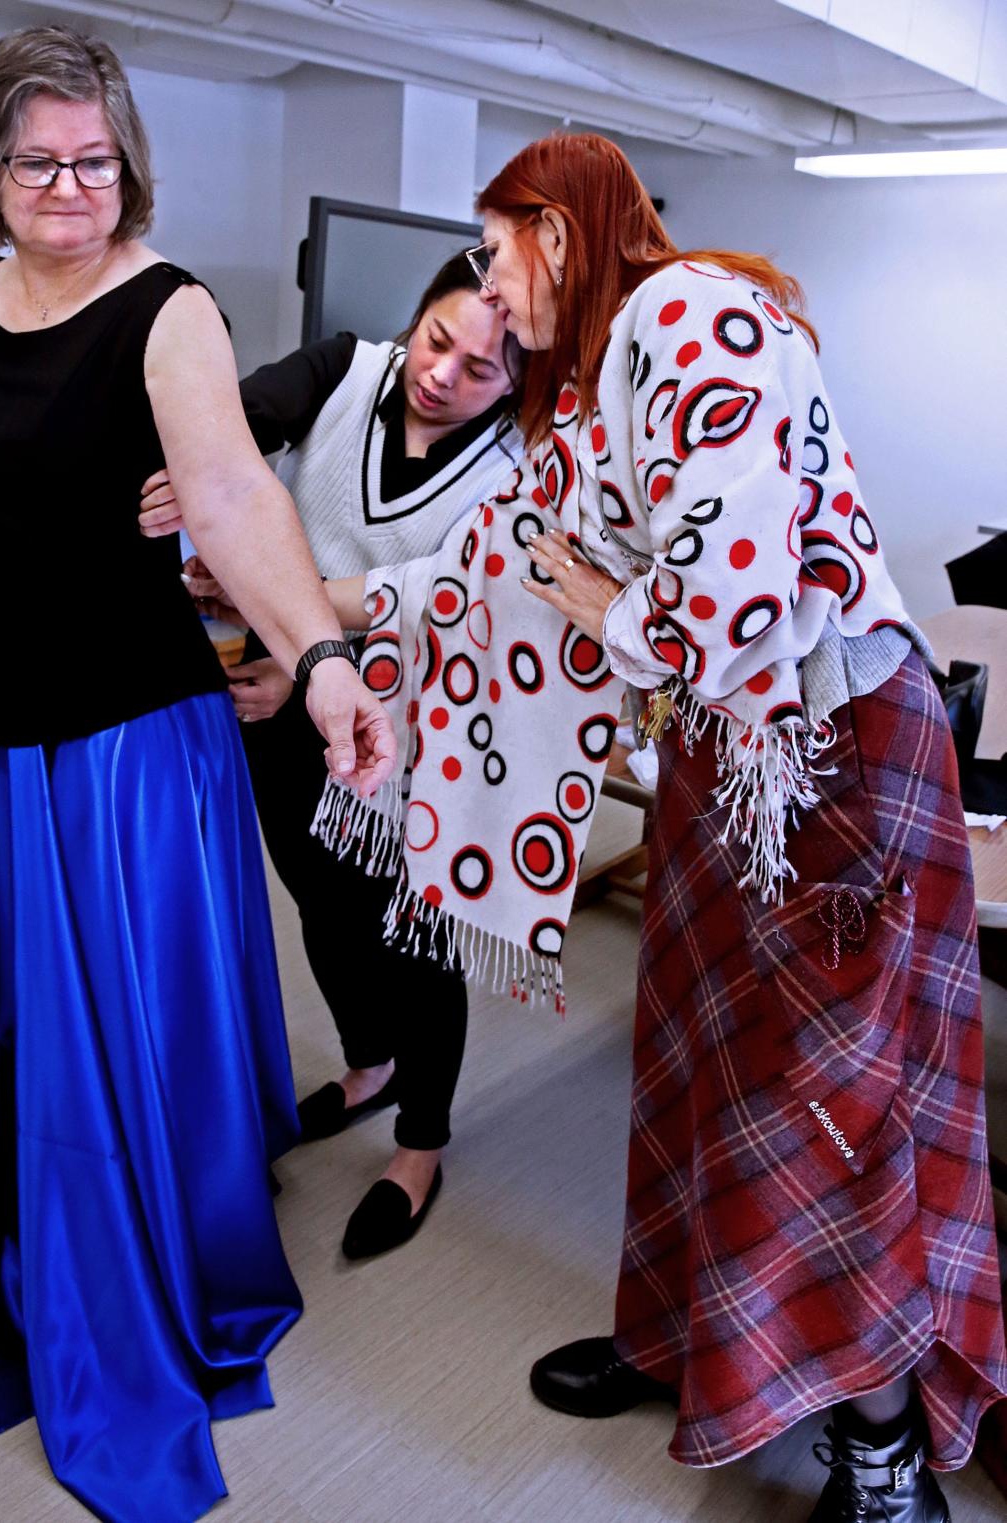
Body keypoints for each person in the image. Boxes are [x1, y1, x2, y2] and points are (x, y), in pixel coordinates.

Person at [306, 133, 1007, 1522]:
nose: (487, 291)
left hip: (831, 760)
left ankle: (880, 1452)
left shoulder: (695, 315)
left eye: (496, 252)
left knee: (825, 1103)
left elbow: (730, 600)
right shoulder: (587, 395)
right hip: (721, 758)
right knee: (691, 1070)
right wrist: (322, 623)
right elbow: (495, 562)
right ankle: (684, 1335)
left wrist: (607, 615)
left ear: (556, 231)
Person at [0, 26, 392, 1523]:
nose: (68, 186)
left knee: (99, 1038)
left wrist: (317, 657)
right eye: (39, 160)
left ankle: (120, 1264)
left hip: (121, 747)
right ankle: (11, 1226)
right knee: (4, 1022)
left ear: (128, 163)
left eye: (94, 160)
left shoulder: (165, 308)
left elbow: (234, 497)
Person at [137, 254, 525, 1258]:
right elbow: (241, 420)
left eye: (482, 368)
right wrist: (188, 472)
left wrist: (301, 651)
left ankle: (422, 1142)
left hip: (421, 736)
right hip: (283, 713)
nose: (444, 373)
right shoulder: (347, 368)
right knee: (323, 900)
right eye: (438, 339)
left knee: (416, 933)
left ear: (520, 381)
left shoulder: (516, 473)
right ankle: (370, 1061)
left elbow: (451, 604)